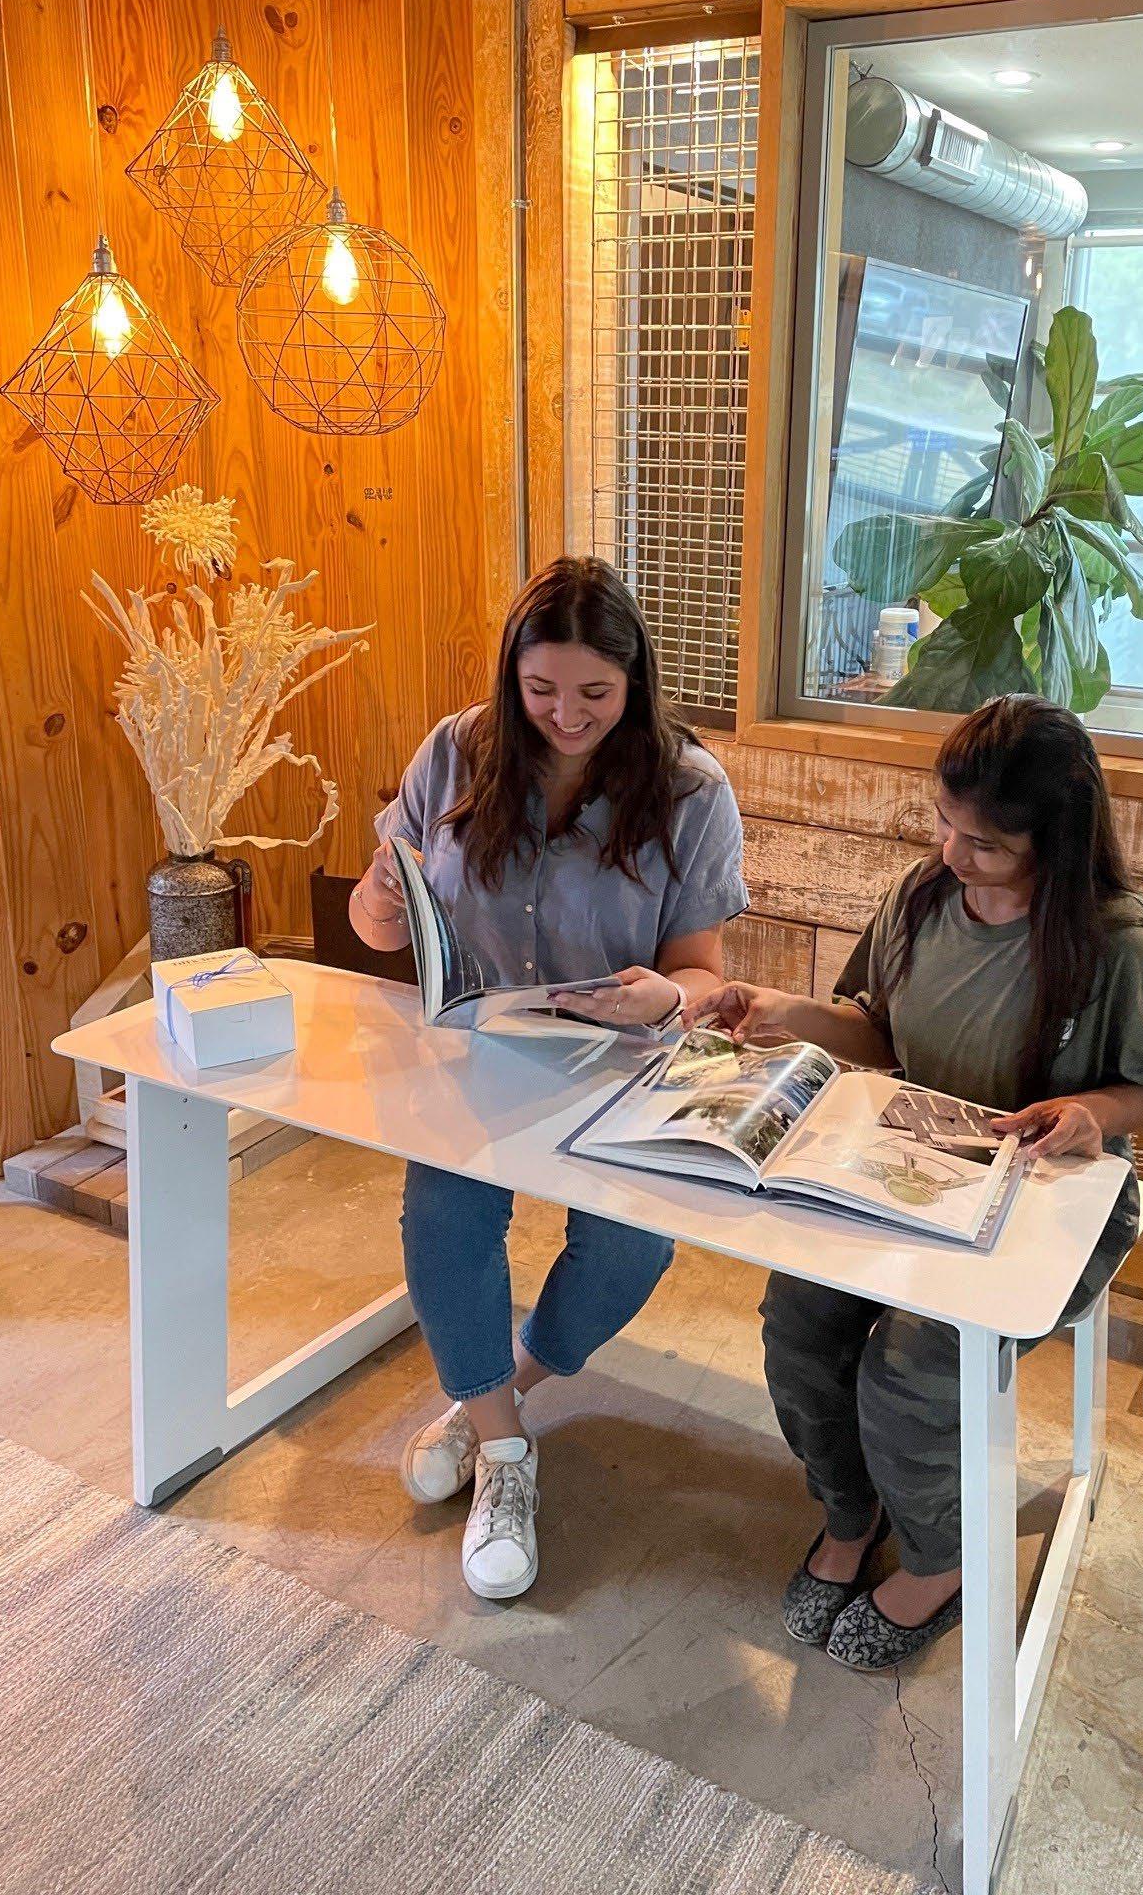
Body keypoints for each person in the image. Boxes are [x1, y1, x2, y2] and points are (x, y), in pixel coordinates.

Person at [693, 695, 1143, 1671]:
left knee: (909, 1372)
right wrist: (787, 1012)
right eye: (944, 824)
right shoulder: (924, 898)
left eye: (986, 844)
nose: (952, 853)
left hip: (1047, 1197)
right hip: (910, 1164)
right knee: (799, 1326)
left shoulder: (1119, 947)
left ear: (1055, 840)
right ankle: (852, 1511)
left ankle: (943, 1559)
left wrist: (1093, 1112)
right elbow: (877, 1035)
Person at [349, 558, 747, 1601]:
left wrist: (661, 999)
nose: (567, 716)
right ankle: (505, 1452)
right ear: (510, 677)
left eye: (595, 693)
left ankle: (493, 1395)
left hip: (617, 1061)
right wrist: (384, 893)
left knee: (629, 1249)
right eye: (541, 690)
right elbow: (375, 926)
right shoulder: (456, 752)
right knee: (445, 1216)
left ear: (635, 681)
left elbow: (701, 976)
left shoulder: (691, 792)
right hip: (477, 1049)